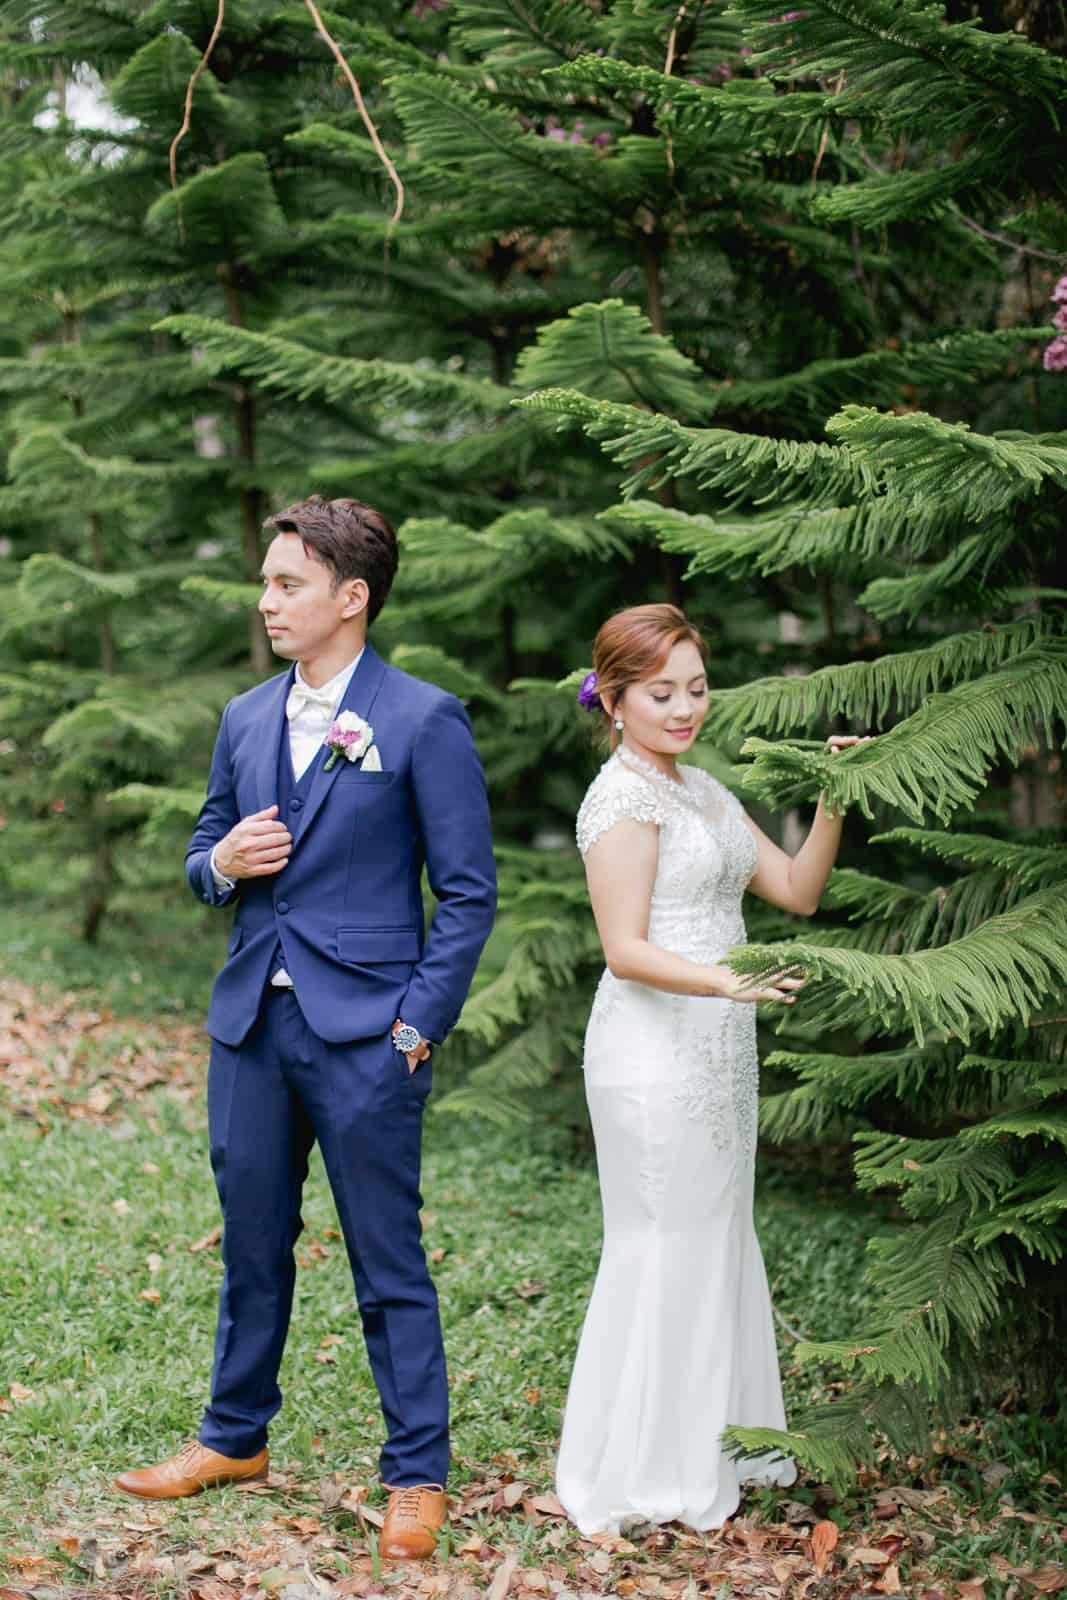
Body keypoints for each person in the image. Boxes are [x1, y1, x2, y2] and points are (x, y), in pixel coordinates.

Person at [115, 496, 496, 1562]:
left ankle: (415, 1473)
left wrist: (416, 1026)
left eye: (288, 584)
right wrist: (219, 863)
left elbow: (467, 893)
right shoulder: (244, 716)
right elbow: (204, 850)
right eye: (266, 583)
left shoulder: (421, 718)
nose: (267, 601)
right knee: (250, 1243)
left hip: (369, 1032)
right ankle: (233, 1438)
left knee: (386, 1257)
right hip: (250, 1026)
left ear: (351, 597)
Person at [556, 603, 869, 1535]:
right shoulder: (620, 801)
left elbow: (798, 891)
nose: (685, 708)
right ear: (614, 699)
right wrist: (726, 982)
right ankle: (646, 1465)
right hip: (650, 1050)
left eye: (695, 688)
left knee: (716, 1233)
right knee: (664, 1238)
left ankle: (716, 1442)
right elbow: (624, 950)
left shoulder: (702, 790)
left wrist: (834, 793)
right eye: (661, 694)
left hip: (717, 1048)